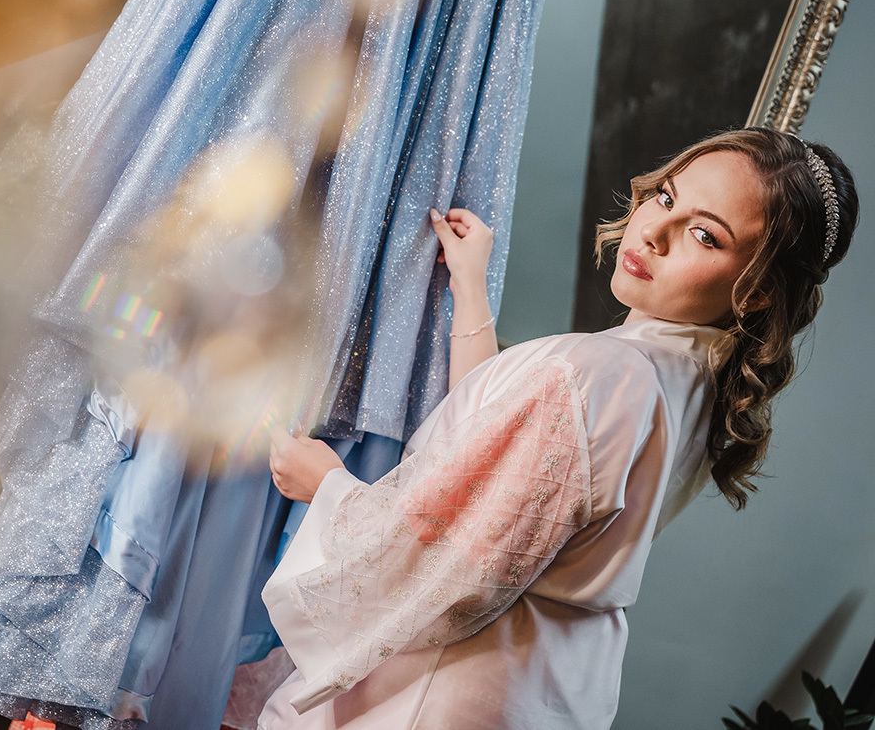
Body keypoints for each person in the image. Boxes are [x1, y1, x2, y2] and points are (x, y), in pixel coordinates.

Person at [256, 127, 860, 729]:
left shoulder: (608, 375)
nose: (653, 231)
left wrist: (328, 487)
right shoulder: (698, 388)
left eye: (705, 235)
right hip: (543, 688)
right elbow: (505, 460)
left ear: (756, 293)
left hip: (442, 692)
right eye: (668, 197)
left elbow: (455, 568)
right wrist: (470, 289)